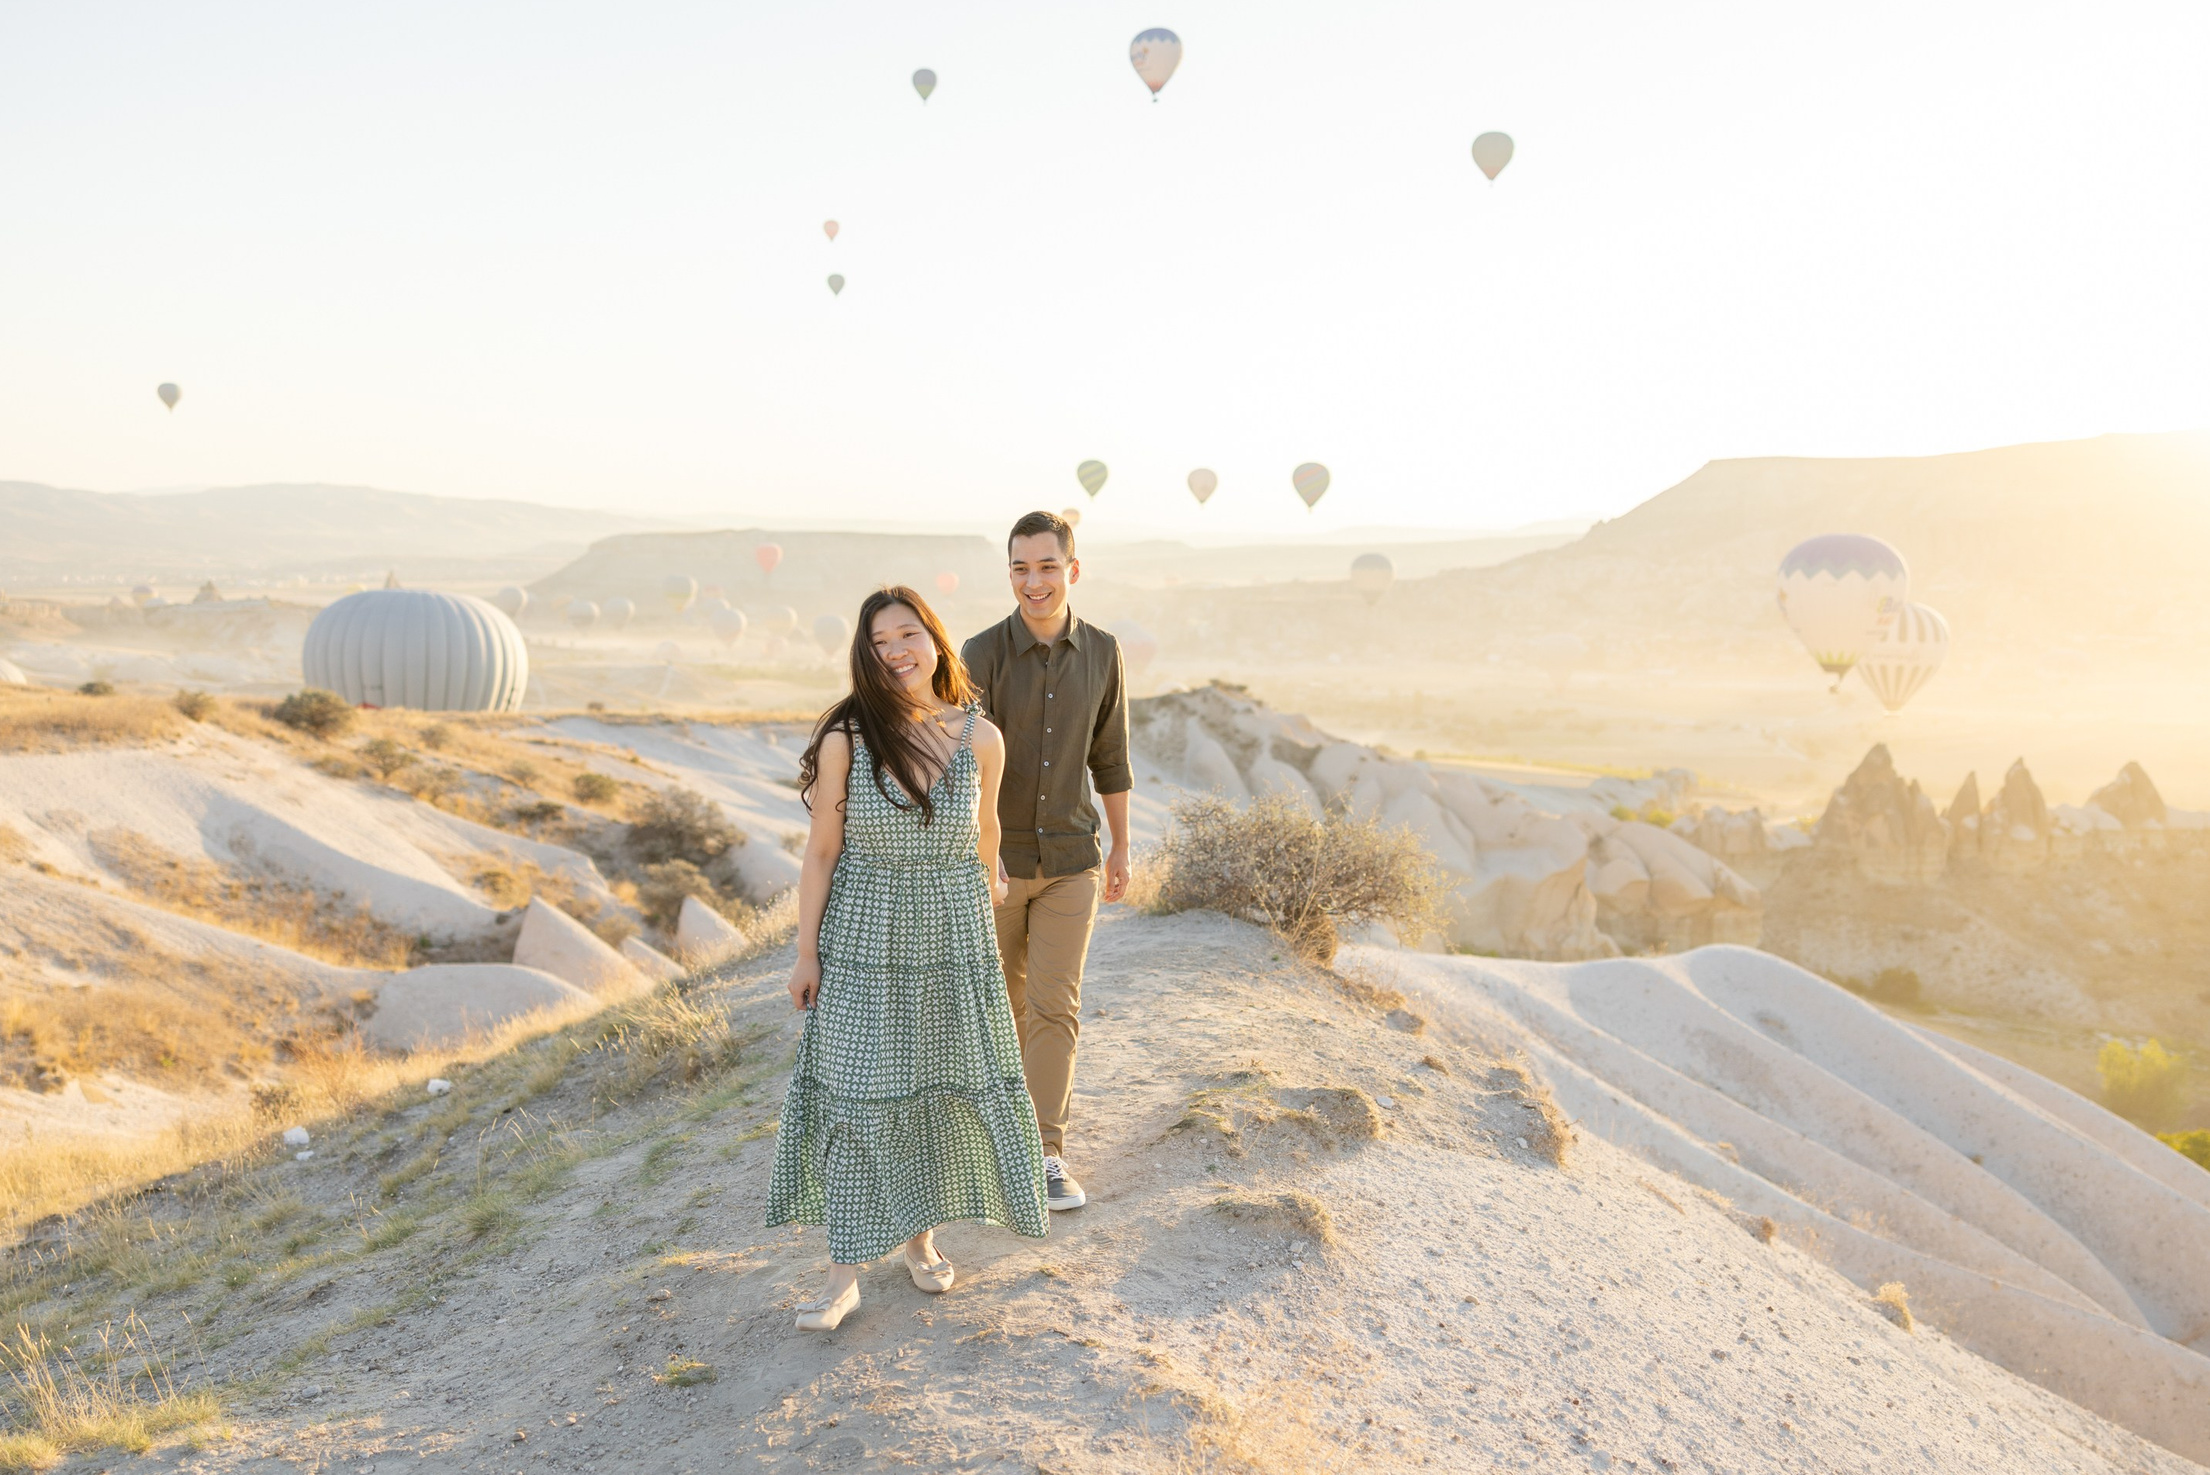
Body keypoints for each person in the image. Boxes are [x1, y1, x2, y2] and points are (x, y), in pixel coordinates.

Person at [766, 586, 1048, 1332]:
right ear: (866, 654)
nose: (895, 651)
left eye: (906, 634)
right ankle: (840, 1275)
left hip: (951, 941)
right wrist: (805, 954)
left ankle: (921, 1240)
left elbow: (986, 833)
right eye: (879, 641)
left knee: (928, 1087)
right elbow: (822, 852)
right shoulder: (848, 740)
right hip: (862, 937)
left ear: (935, 639)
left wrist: (989, 884)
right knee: (859, 1093)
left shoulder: (981, 737)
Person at [961, 511, 1132, 1213]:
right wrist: (977, 858)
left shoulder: (1104, 650)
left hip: (1070, 859)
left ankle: (1045, 1152)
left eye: (1047, 567)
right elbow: (960, 766)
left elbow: (1110, 755)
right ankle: (992, 1142)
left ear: (1073, 569)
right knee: (997, 1010)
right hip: (993, 867)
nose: (1034, 582)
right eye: (1020, 568)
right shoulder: (978, 653)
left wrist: (1121, 844)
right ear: (1009, 573)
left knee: (1053, 1005)